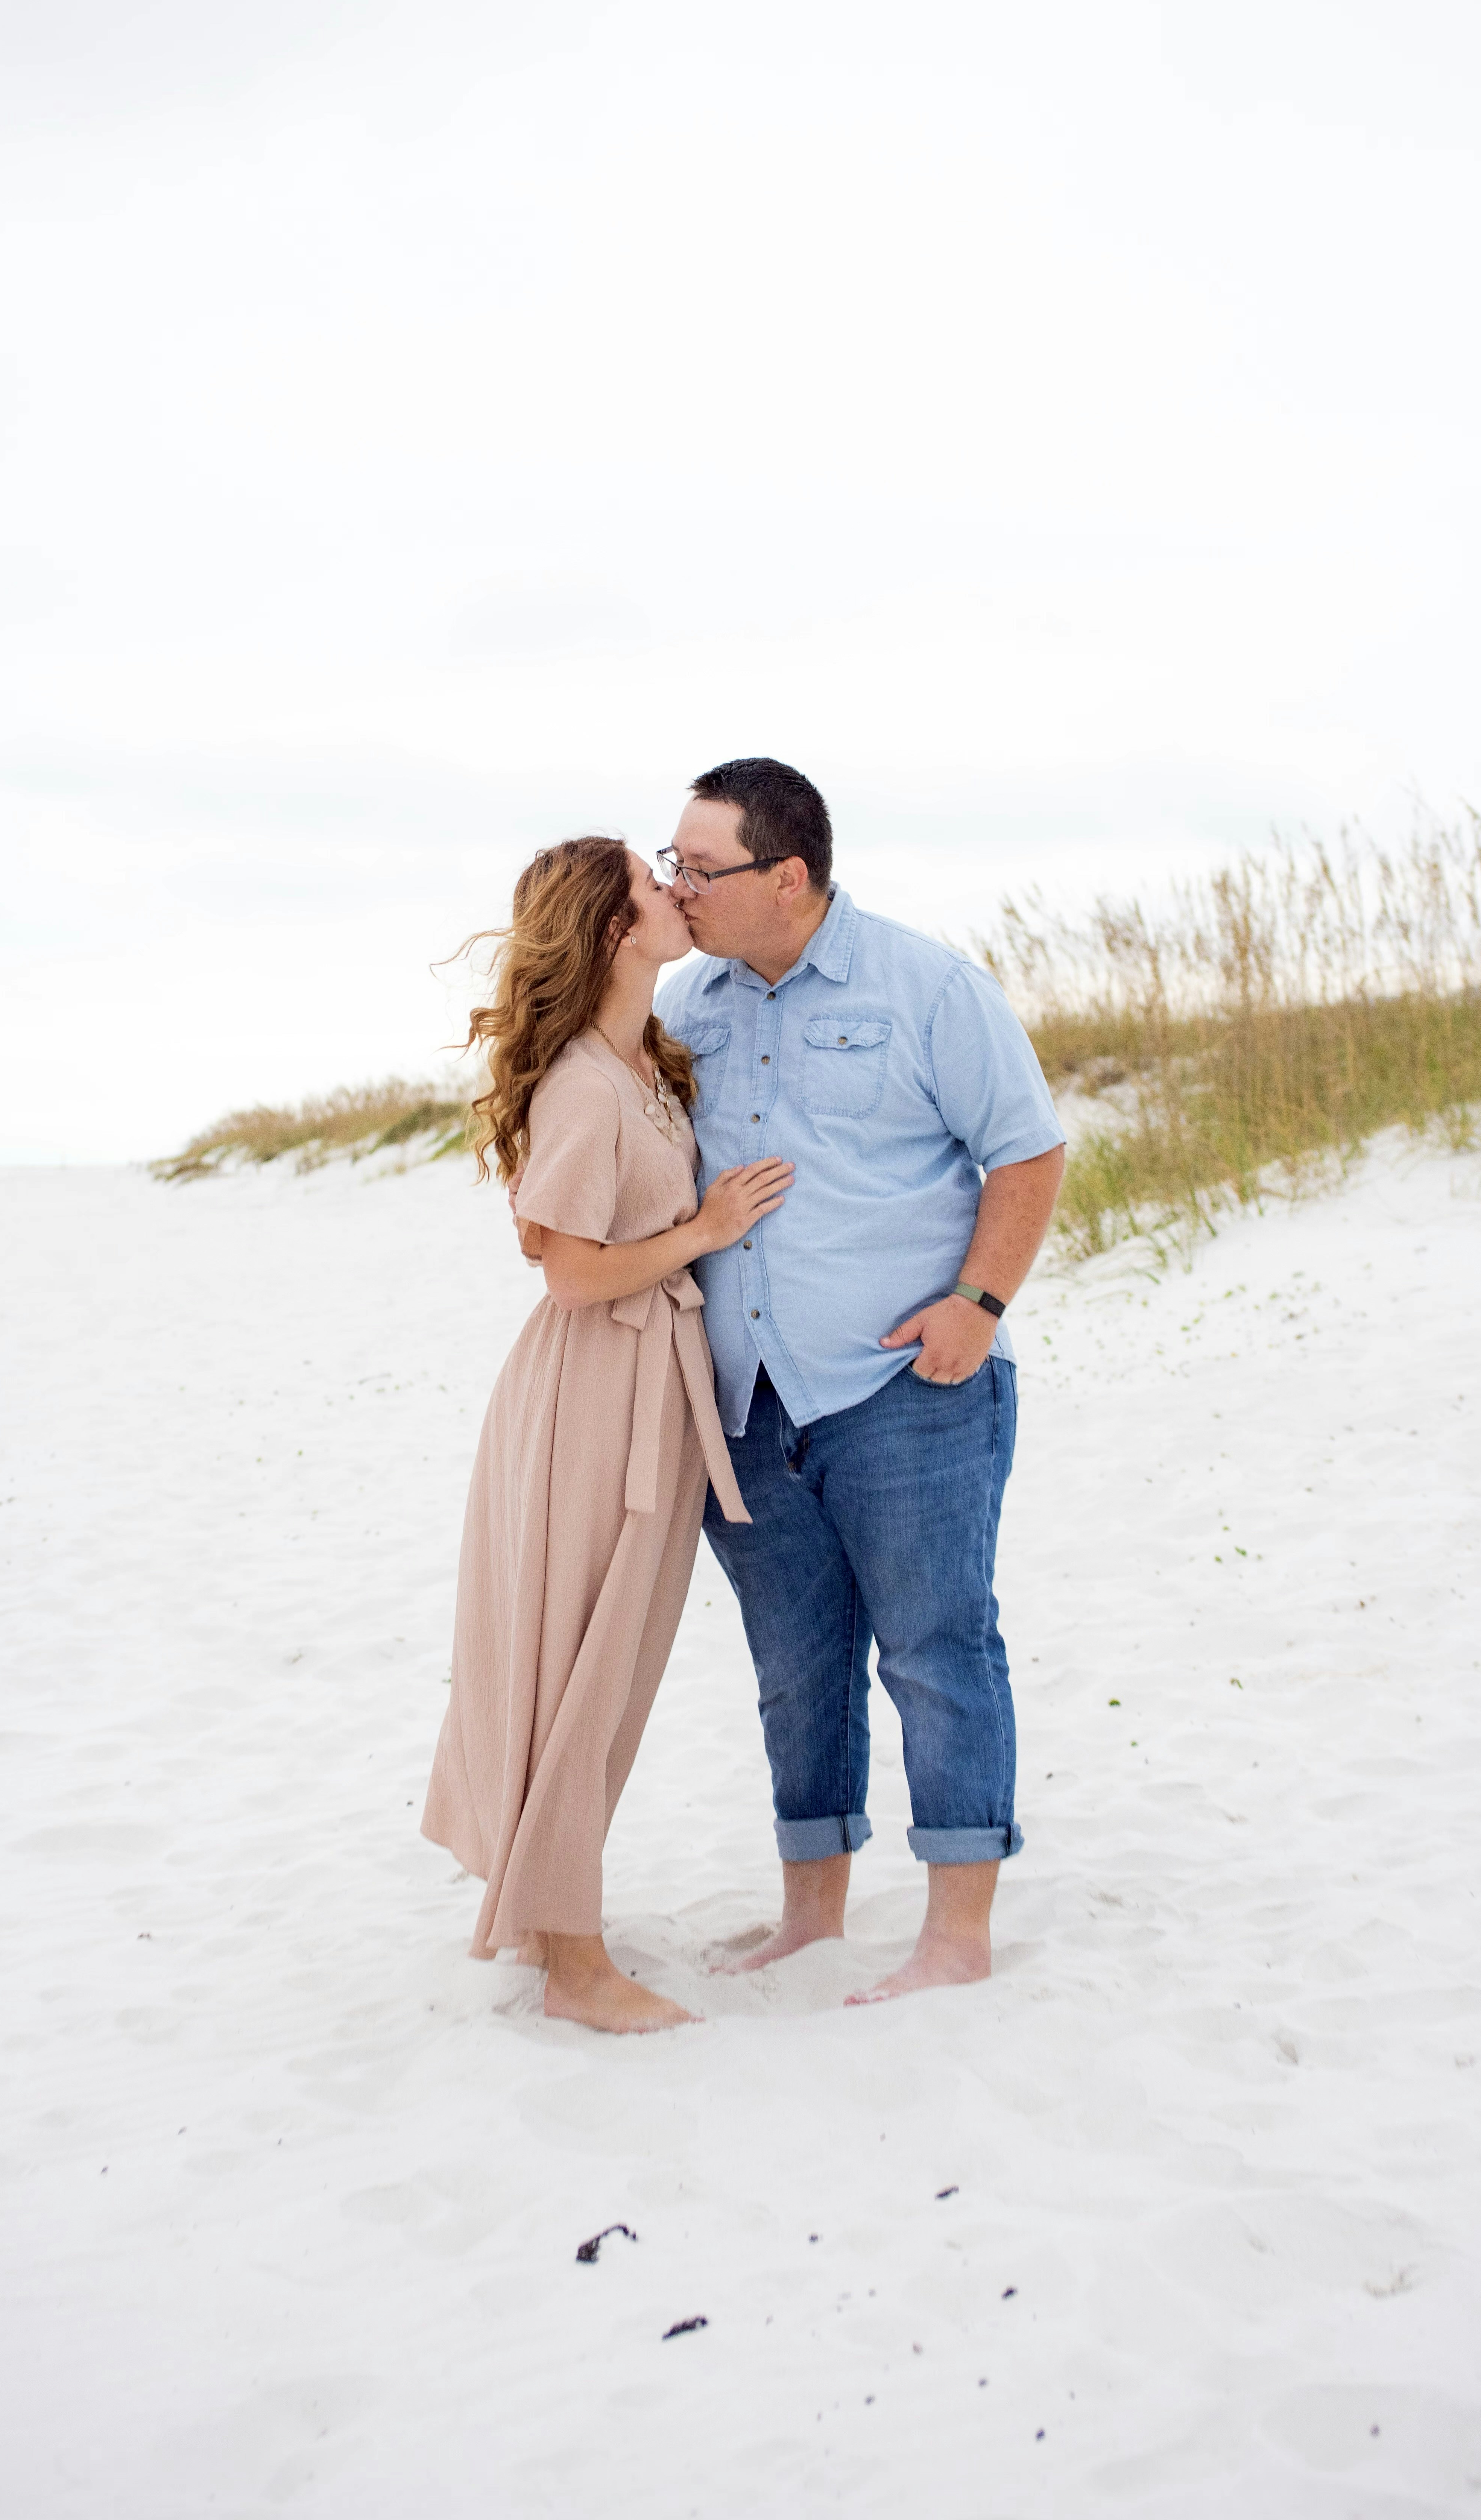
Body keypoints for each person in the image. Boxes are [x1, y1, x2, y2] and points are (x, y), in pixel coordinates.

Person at [656, 757, 1066, 2002]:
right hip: (748, 1400)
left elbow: (1028, 1151)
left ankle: (955, 1937)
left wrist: (978, 1305)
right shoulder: (688, 1005)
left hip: (904, 1390)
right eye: (669, 864)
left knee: (937, 1650)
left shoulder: (928, 986)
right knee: (798, 1669)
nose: (679, 889)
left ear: (789, 878)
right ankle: (813, 1917)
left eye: (700, 868)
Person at [421, 836, 793, 2034]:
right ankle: (575, 1968)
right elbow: (571, 1272)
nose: (677, 894)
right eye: (654, 885)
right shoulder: (586, 1081)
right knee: (581, 1667)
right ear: (614, 929)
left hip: (643, 1385)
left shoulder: (639, 1061)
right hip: (595, 1394)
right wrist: (706, 1228)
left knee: (607, 1666)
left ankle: (556, 1922)